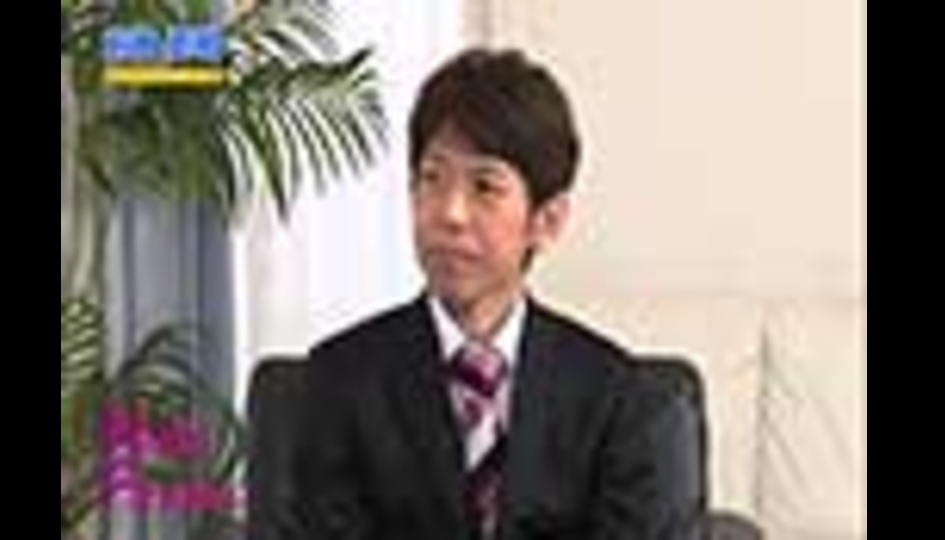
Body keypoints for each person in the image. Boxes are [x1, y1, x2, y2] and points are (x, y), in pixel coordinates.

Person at [247, 47, 706, 540]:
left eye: (484, 187)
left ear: (547, 220)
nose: (450, 213)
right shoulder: (339, 383)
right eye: (432, 179)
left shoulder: (619, 401)